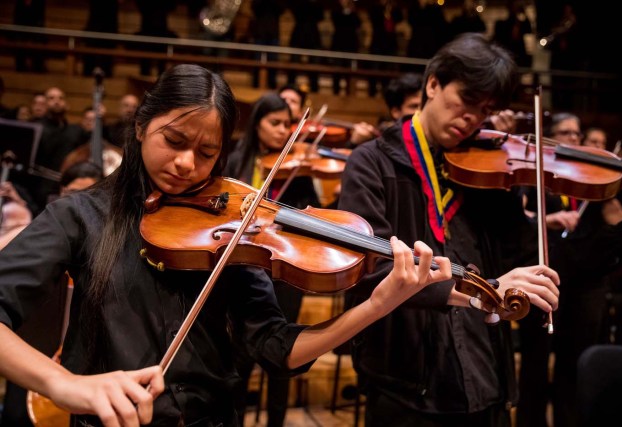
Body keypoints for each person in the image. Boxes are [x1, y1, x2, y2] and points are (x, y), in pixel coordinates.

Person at [0, 64, 452, 426]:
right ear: (140, 127)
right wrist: (63, 385)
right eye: (173, 141)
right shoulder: (78, 215)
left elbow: (278, 346)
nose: (185, 164)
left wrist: (377, 304)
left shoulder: (233, 224)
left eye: (206, 153)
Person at [337, 33, 561, 427]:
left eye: (486, 109)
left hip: (484, 380)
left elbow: (523, 257)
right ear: (433, 83)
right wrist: (486, 288)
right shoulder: (370, 163)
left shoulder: (488, 172)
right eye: (468, 101)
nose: (474, 118)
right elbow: (372, 268)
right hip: (405, 388)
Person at [516, 112, 622, 427]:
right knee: (536, 365)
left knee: (573, 366)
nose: (573, 139)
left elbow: (615, 225)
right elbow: (518, 219)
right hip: (543, 277)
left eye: (576, 134)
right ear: (549, 137)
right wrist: (548, 220)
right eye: (566, 133)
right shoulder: (533, 177)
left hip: (583, 283)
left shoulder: (590, 183)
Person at [224, 92, 321, 427]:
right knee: (239, 356)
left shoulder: (299, 167)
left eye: (287, 124)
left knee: (283, 351)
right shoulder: (237, 160)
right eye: (275, 123)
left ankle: (276, 422)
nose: (283, 131)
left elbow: (311, 217)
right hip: (240, 269)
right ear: (257, 124)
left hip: (282, 268)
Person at [0, 160, 103, 427]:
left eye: (91, 194)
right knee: (16, 416)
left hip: (83, 361)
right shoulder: (46, 235)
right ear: (61, 191)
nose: (83, 204)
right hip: (35, 350)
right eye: (74, 194)